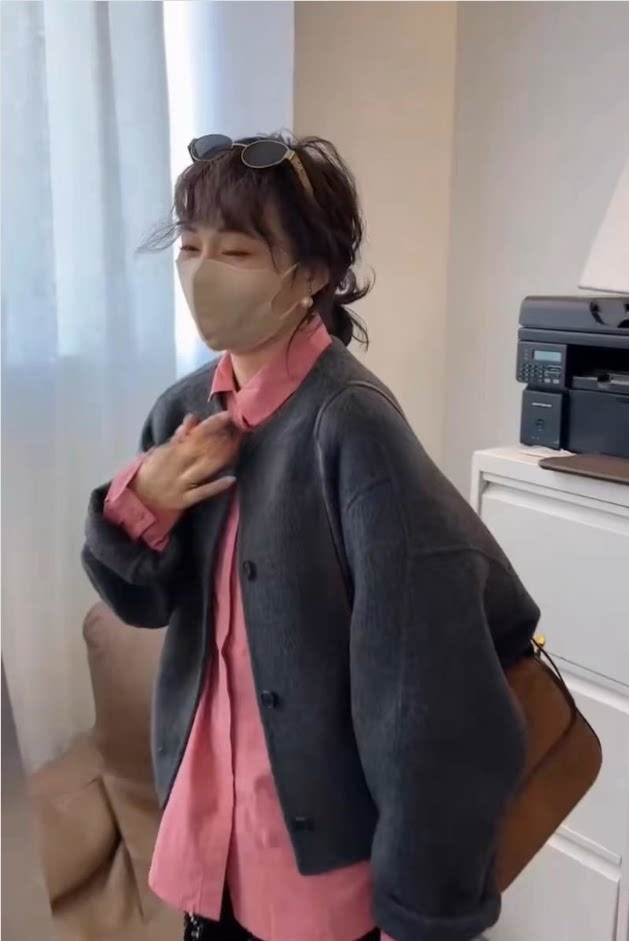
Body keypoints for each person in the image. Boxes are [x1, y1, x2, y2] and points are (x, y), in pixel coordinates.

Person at [83, 133, 540, 941]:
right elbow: (142, 603)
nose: (201, 270)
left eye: (235, 250)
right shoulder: (183, 411)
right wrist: (142, 499)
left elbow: (431, 694)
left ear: (311, 275)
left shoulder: (353, 428)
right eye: (189, 245)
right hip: (209, 844)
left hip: (319, 878)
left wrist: (421, 910)